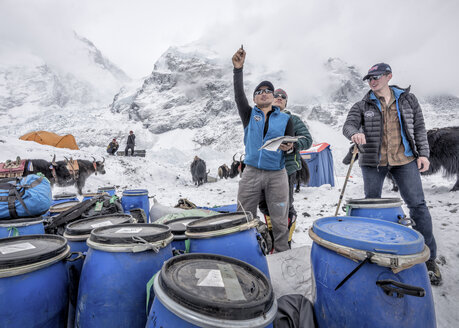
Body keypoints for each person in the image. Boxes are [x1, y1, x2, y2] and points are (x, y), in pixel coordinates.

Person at [342, 63, 442, 285]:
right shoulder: (362, 105)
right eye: (369, 78)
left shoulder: (407, 100)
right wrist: (355, 133)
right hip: (373, 163)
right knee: (372, 205)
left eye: (376, 76)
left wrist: (423, 154)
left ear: (389, 76)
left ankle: (429, 258)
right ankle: (375, 252)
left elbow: (419, 128)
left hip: (404, 160)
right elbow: (348, 125)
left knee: (418, 206)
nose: (372, 81)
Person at [232, 46, 294, 253]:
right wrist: (238, 70)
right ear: (254, 99)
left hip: (277, 174)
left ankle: (283, 253)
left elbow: (291, 145)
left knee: (279, 218)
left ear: (273, 96)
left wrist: (288, 147)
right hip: (251, 172)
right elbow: (238, 95)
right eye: (260, 91)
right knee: (244, 215)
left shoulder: (286, 118)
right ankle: (247, 250)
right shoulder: (249, 115)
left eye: (268, 90)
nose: (264, 93)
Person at [259, 88, 312, 249]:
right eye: (276, 95)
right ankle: (273, 237)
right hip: (263, 169)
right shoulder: (261, 119)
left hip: (286, 169)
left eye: (283, 97)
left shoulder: (293, 119)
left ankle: (285, 242)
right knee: (264, 205)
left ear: (286, 102)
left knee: (284, 206)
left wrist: (293, 145)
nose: (279, 98)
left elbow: (307, 139)